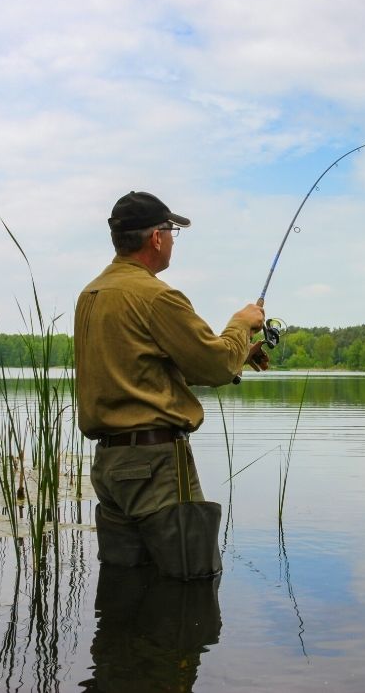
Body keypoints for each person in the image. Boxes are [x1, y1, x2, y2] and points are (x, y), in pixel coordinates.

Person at [75, 190, 269, 579]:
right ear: (157, 237)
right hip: (155, 466)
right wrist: (241, 324)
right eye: (171, 232)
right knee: (190, 583)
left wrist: (241, 356)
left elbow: (145, 369)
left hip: (110, 468)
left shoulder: (90, 295)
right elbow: (213, 365)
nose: (171, 242)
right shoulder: (156, 296)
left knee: (126, 587)